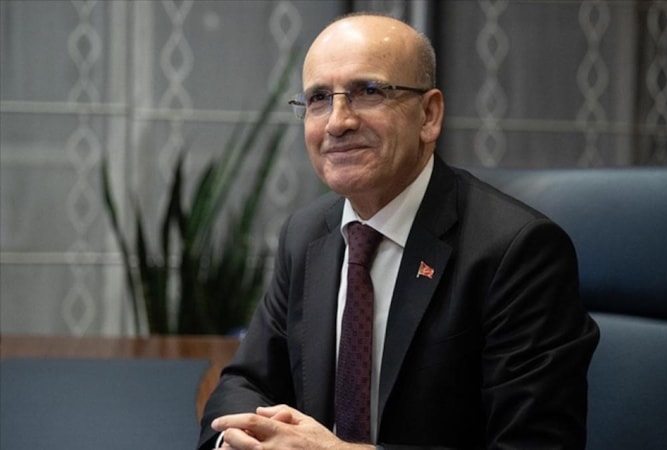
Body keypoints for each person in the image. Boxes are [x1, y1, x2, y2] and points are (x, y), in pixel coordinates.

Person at [198, 12, 599, 450]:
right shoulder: (306, 234)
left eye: (369, 91)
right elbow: (246, 382)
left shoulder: (517, 251)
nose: (337, 122)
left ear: (429, 115)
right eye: (318, 99)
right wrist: (239, 442)